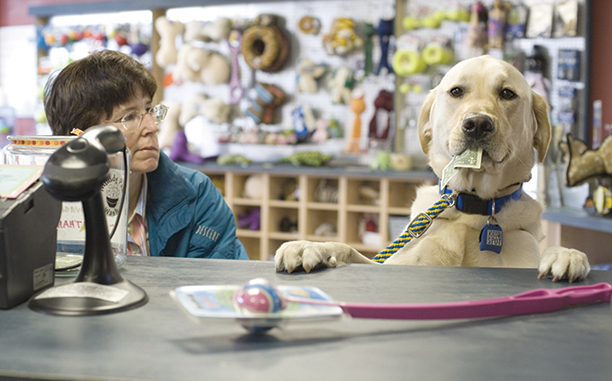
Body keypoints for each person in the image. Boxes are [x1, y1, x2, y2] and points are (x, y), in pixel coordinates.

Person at [44, 49, 249, 260]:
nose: (152, 127)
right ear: (80, 135)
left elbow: (214, 287)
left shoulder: (197, 194)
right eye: (129, 116)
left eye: (149, 110)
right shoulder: (42, 203)